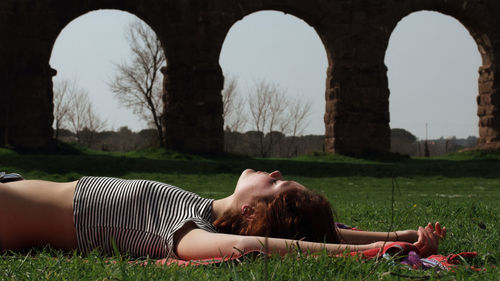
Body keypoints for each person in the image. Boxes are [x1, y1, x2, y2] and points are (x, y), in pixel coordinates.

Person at [0, 169, 446, 260]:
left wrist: (371, 251)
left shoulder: (188, 229)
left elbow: (253, 245)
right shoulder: (196, 207)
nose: (272, 171)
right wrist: (398, 233)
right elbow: (327, 234)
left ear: (252, 210)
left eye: (276, 183)